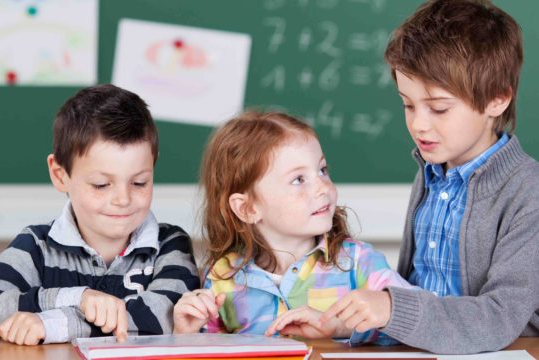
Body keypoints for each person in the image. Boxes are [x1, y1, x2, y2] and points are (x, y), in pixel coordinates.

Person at [320, 0, 539, 354]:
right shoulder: (431, 173)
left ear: (497, 100)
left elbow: (501, 316)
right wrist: (352, 321)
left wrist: (393, 308)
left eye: (438, 108)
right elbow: (415, 290)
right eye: (408, 105)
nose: (419, 124)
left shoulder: (529, 193)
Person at [172, 111, 412, 343]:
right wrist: (185, 334)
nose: (322, 187)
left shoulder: (360, 262)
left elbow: (416, 320)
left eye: (322, 170)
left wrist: (341, 327)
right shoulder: (221, 277)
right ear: (248, 209)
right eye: (299, 179)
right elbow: (209, 351)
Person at [0, 84, 200, 345]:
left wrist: (54, 323)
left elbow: (163, 316)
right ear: (61, 175)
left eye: (139, 182)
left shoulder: (170, 245)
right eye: (101, 185)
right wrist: (78, 297)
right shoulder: (35, 246)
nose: (123, 199)